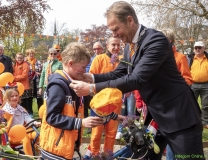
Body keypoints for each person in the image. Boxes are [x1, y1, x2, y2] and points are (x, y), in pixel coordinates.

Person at [69, 1, 204, 160]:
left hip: (179, 117)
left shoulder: (156, 40)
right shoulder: (128, 47)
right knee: (143, 156)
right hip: (156, 118)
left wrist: (92, 88)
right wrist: (90, 77)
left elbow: (136, 79)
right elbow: (119, 73)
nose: (114, 34)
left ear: (130, 20)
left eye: (116, 29)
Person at [39, 42, 124, 160]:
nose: (85, 71)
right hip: (54, 150)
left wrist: (114, 116)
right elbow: (51, 117)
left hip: (67, 147)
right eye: (83, 67)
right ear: (71, 63)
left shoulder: (75, 83)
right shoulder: (57, 85)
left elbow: (94, 105)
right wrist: (81, 122)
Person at [84, 37, 122, 158]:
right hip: (99, 104)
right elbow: (91, 79)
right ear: (107, 45)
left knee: (111, 133)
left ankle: (108, 156)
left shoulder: (122, 61)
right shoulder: (99, 59)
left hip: (115, 103)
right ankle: (94, 155)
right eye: (113, 45)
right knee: (96, 133)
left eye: (118, 45)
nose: (116, 47)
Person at [161, 29, 193, 160]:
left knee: (173, 136)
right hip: (160, 104)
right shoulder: (157, 57)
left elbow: (188, 80)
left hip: (175, 104)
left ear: (169, 41)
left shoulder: (180, 57)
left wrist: (171, 90)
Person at [2, 87, 41, 156]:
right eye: (12, 96)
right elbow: (3, 127)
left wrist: (35, 122)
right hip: (12, 135)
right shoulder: (4, 111)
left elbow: (28, 118)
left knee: (38, 135)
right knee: (25, 138)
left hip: (25, 130)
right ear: (7, 98)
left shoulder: (21, 109)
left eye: (16, 95)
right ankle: (29, 157)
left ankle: (39, 155)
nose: (15, 98)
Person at [187, 41, 208, 129]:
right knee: (192, 104)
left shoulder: (207, 58)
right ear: (194, 49)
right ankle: (192, 122)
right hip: (193, 85)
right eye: (196, 48)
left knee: (206, 105)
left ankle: (205, 122)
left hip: (206, 85)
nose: (197, 49)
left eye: (199, 48)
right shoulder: (189, 59)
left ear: (204, 49)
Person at [25, 49, 43, 115]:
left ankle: (40, 112)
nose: (31, 55)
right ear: (27, 54)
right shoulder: (25, 62)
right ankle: (30, 112)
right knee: (29, 97)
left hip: (37, 82)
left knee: (39, 97)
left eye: (32, 53)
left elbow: (42, 72)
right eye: (30, 54)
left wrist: (39, 73)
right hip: (29, 82)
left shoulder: (38, 62)